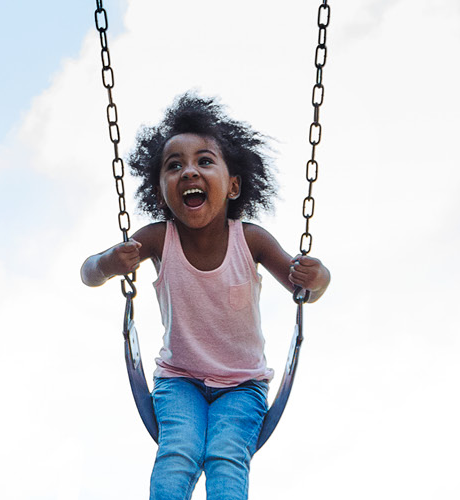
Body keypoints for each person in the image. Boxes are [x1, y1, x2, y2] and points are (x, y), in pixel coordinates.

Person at [79, 92, 332, 500]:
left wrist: (318, 278)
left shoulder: (251, 241)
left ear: (233, 186)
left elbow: (305, 289)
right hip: (180, 380)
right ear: (161, 193)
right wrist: (108, 262)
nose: (190, 172)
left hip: (242, 384)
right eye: (174, 165)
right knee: (178, 452)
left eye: (204, 161)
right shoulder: (159, 239)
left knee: (226, 457)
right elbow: (88, 273)